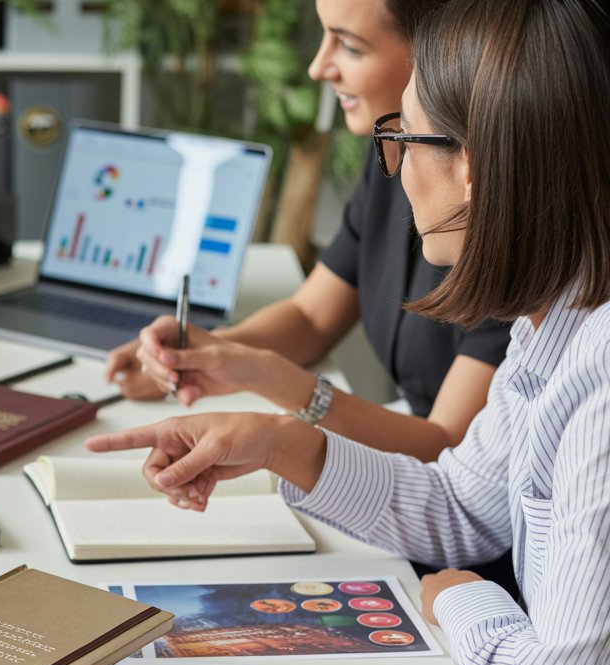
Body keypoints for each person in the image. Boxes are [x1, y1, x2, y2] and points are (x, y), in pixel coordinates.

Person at [88, 0, 610, 665]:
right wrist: (276, 443)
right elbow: (462, 506)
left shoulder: (600, 374)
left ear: (471, 165)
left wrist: (462, 601)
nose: (395, 169)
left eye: (407, 141)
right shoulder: (547, 321)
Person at [104, 0, 509, 464]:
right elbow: (312, 316)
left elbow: (448, 450)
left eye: (351, 47)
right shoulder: (392, 158)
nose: (318, 67)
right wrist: (206, 351)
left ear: (439, 52)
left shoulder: (511, 220)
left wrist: (269, 380)